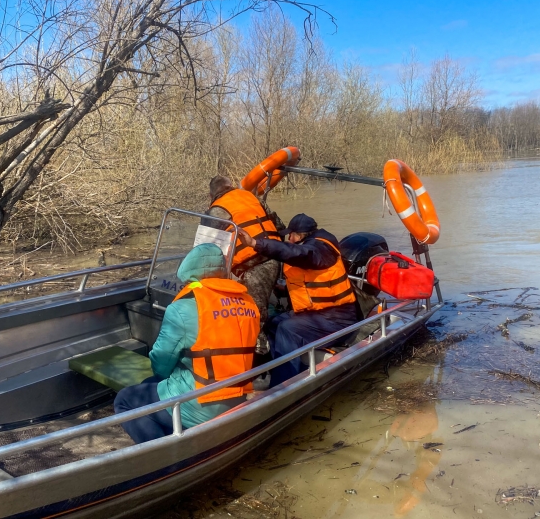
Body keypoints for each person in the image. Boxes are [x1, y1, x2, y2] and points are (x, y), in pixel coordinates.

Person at [114, 243, 260, 443]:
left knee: (125, 399)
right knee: (150, 385)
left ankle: (164, 458)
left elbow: (161, 362)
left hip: (200, 403)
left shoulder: (182, 309)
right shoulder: (249, 303)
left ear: (188, 272)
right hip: (239, 395)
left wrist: (165, 377)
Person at [237, 213, 358, 387]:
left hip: (338, 318)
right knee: (273, 323)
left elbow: (296, 253)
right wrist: (284, 289)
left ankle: (283, 386)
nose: (289, 239)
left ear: (301, 236)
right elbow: (313, 282)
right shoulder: (311, 248)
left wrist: (256, 244)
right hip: (320, 313)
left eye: (291, 235)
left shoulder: (319, 249)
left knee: (289, 329)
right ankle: (272, 372)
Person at [204, 175, 283, 352]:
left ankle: (259, 360)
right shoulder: (251, 197)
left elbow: (204, 248)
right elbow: (278, 225)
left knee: (253, 317)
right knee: (257, 310)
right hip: (274, 256)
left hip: (254, 267)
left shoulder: (216, 210)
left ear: (211, 195)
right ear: (230, 186)